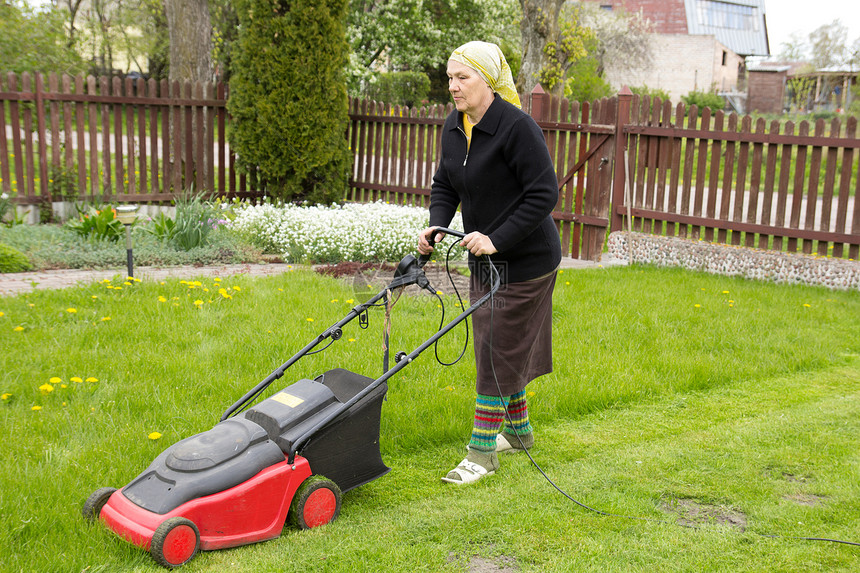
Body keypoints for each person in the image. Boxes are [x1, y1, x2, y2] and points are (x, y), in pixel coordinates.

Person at [417, 41, 561, 484]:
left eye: (463, 78)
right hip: (486, 257)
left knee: (495, 347)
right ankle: (518, 433)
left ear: (488, 80)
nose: (453, 87)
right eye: (449, 78)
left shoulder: (517, 128)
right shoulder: (455, 125)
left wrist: (497, 238)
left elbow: (543, 194)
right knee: (503, 342)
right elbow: (446, 182)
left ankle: (482, 453)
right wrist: (437, 225)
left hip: (527, 260)